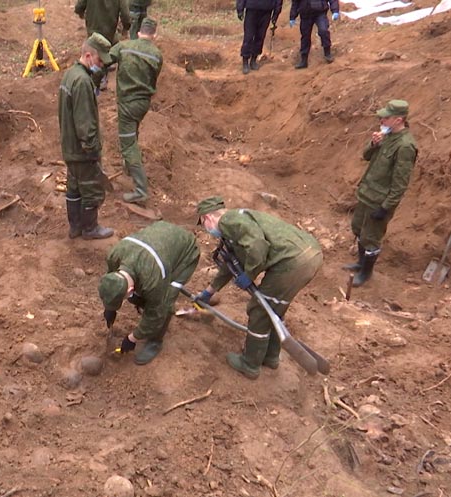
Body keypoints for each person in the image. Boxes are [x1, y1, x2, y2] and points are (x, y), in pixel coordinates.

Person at [195, 196, 323, 379]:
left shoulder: (228, 221)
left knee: (259, 310)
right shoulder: (239, 224)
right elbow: (232, 265)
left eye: (203, 224)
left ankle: (250, 364)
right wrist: (209, 292)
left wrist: (250, 274)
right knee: (273, 307)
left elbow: (257, 246)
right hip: (310, 255)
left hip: (293, 262)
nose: (207, 230)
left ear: (207, 217)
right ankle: (270, 357)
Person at [99, 221, 201, 365]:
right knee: (144, 297)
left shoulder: (153, 280)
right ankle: (145, 307)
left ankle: (155, 341)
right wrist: (110, 308)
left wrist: (132, 338)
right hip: (160, 238)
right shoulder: (114, 255)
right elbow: (112, 283)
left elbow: (157, 312)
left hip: (186, 252)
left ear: (129, 290)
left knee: (165, 303)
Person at [345, 100, 418, 287]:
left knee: (371, 238)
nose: (382, 120)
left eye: (386, 118)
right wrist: (373, 143)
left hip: (379, 200)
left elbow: (400, 183)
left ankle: (366, 273)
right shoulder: (386, 136)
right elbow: (366, 156)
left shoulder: (405, 146)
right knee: (359, 228)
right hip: (367, 193)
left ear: (398, 119)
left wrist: (386, 207)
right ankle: (361, 264)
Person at [59, 33, 115, 240]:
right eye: (100, 60)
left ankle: (75, 228)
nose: (101, 65)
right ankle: (90, 228)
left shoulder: (70, 75)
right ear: (89, 55)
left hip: (70, 146)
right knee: (91, 189)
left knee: (74, 186)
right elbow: (85, 122)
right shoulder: (82, 82)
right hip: (82, 150)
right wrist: (93, 150)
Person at [108, 17, 163, 205]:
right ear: (154, 35)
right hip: (143, 104)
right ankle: (129, 166)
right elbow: (153, 78)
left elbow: (107, 58)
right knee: (133, 132)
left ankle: (140, 190)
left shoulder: (124, 46)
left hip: (127, 104)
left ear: (139, 32)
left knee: (128, 144)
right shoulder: (157, 55)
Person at [75, 0, 131, 89]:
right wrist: (126, 27)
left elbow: (80, 5)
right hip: (109, 28)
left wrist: (80, 12)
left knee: (94, 49)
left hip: (93, 26)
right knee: (106, 47)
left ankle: (98, 77)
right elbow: (125, 13)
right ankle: (104, 71)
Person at [289, 0, 340, 69]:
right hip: (305, 14)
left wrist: (335, 10)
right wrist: (292, 17)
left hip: (320, 12)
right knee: (305, 36)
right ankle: (304, 60)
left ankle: (327, 53)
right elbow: (295, 2)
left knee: (323, 30)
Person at [237, 0, 283, 74]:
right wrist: (240, 9)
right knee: (248, 36)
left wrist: (276, 13)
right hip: (252, 9)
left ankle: (253, 60)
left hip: (267, 11)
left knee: (260, 37)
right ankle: (245, 61)